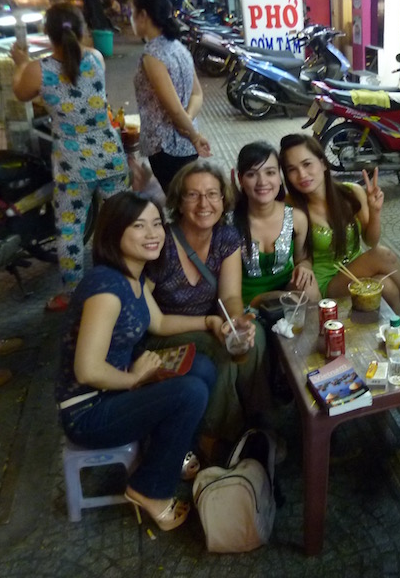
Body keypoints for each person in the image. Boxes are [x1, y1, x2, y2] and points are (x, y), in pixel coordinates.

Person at [57, 191, 220, 531]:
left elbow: (159, 322)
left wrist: (207, 322)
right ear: (114, 233)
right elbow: (87, 370)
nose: (153, 234)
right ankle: (148, 490)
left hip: (115, 392)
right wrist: (134, 379)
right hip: (89, 412)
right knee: (189, 392)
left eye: (157, 224)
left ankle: (172, 454)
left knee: (201, 367)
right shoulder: (105, 288)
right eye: (139, 226)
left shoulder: (134, 276)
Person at [145, 159, 268, 455]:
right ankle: (216, 438)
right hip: (165, 333)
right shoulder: (161, 241)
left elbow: (230, 296)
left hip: (211, 323)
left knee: (255, 336)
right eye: (193, 195)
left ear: (223, 200)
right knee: (222, 349)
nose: (204, 204)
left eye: (213, 194)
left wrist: (237, 321)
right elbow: (150, 318)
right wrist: (213, 325)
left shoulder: (226, 237)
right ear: (179, 201)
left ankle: (259, 422)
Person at [10, 2, 129, 312]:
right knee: (120, 223)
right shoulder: (96, 59)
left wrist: (21, 62)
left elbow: (21, 93)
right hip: (109, 156)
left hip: (72, 166)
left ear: (47, 35)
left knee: (70, 229)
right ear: (82, 30)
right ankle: (126, 280)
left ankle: (74, 293)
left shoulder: (39, 70)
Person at [279, 133, 400, 329]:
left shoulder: (351, 193)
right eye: (292, 169)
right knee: (382, 255)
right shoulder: (289, 208)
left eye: (307, 164)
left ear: (323, 163)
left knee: (389, 288)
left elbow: (371, 240)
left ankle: (389, 338)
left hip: (357, 272)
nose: (302, 175)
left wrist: (375, 212)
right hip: (326, 283)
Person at [131, 0, 210, 195]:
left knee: (180, 206)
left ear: (143, 15)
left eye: (133, 13)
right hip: (185, 146)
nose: (131, 19)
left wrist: (194, 135)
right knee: (186, 200)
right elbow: (197, 94)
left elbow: (174, 110)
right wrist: (189, 122)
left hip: (165, 147)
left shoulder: (153, 55)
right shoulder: (178, 47)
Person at [232, 141, 320, 307]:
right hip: (244, 304)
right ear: (240, 179)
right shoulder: (230, 224)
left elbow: (303, 259)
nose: (262, 182)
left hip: (285, 294)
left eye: (270, 172)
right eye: (252, 174)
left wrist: (305, 267)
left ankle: (317, 330)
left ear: (280, 178)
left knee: (308, 285)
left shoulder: (296, 218)